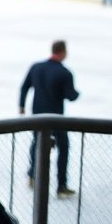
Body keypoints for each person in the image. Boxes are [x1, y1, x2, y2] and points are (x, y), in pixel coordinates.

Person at [18, 40, 80, 198]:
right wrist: (76, 94)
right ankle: (61, 185)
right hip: (56, 118)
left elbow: (24, 86)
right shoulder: (64, 73)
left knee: (36, 144)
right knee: (63, 148)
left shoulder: (36, 67)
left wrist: (22, 106)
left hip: (37, 115)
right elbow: (70, 95)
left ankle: (32, 175)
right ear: (63, 52)